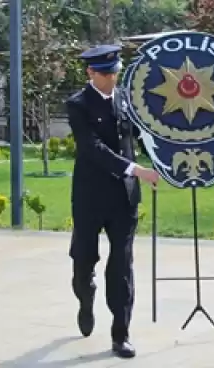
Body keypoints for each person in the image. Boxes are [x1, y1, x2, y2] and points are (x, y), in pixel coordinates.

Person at [66, 45, 160, 359]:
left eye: (115, 71)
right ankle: (84, 295)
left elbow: (142, 133)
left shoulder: (125, 99)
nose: (112, 78)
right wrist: (135, 169)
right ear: (90, 73)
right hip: (91, 196)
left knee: (122, 264)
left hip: (124, 196)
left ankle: (121, 333)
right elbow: (92, 148)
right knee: (83, 260)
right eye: (106, 73)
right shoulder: (78, 104)